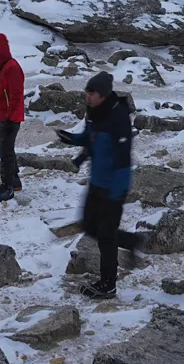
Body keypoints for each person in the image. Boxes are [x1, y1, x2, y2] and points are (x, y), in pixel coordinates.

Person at [57, 71, 140, 299]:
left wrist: (118, 192)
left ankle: (108, 284)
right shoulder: (94, 112)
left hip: (114, 186)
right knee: (89, 226)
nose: (87, 96)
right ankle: (130, 240)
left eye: (91, 93)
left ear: (103, 95)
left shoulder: (119, 117)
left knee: (105, 235)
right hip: (96, 182)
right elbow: (89, 138)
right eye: (87, 91)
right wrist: (71, 139)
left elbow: (124, 160)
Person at [0, 32, 25, 202]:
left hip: (10, 117)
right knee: (3, 150)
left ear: (1, 48)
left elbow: (16, 96)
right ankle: (14, 181)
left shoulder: (13, 68)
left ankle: (9, 187)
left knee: (6, 151)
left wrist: (10, 117)